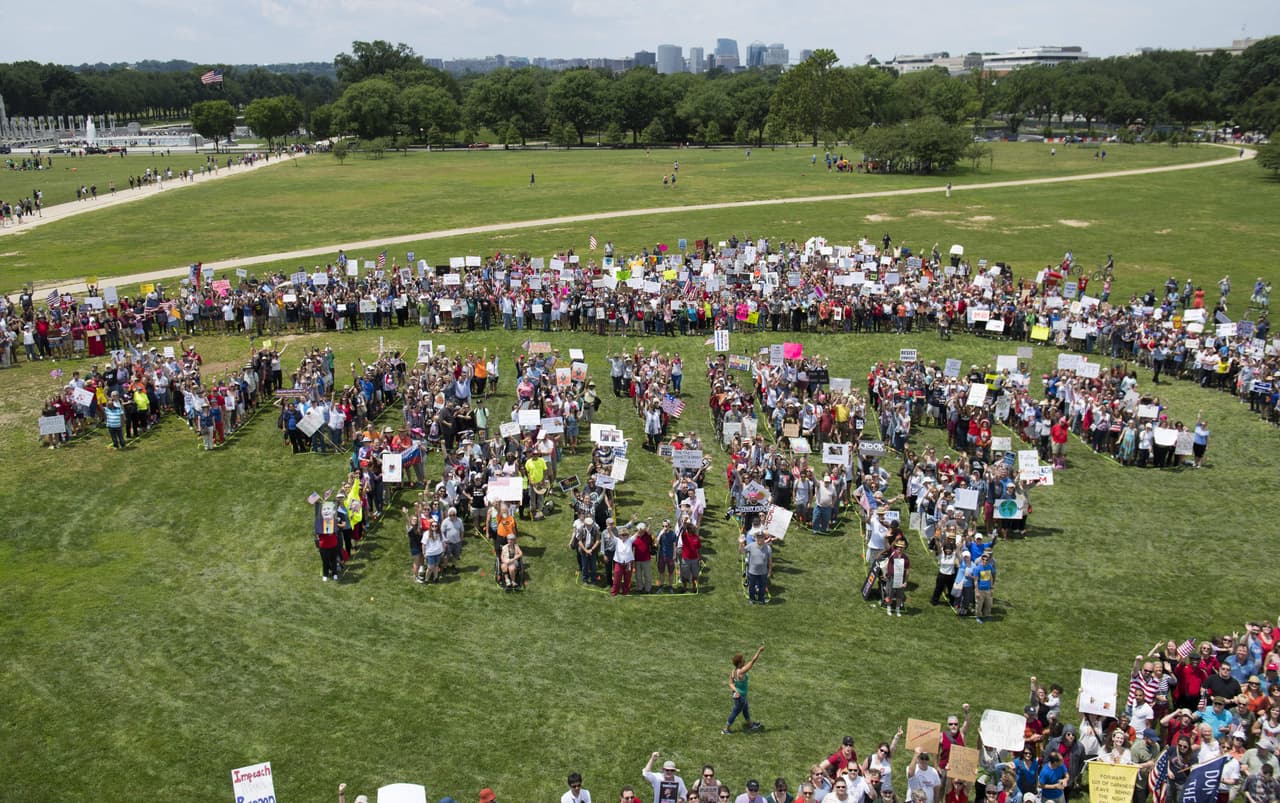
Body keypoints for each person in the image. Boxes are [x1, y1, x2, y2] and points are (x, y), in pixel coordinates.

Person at [723, 644, 765, 734]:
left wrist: (735, 690)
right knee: (735, 712)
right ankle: (725, 729)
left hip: (739, 696)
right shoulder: (741, 672)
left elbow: (730, 683)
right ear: (739, 663)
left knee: (745, 709)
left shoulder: (733, 671)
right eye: (743, 660)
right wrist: (759, 651)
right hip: (740, 697)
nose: (744, 660)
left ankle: (750, 724)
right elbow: (753, 661)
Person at [742, 528, 773, 605]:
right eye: (758, 537)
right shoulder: (751, 546)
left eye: (761, 537)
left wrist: (769, 571)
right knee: (751, 587)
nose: (760, 539)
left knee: (762, 587)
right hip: (752, 572)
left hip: (763, 572)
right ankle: (751, 599)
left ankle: (760, 599)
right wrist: (740, 543)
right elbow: (741, 551)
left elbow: (770, 561)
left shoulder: (768, 548)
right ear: (756, 538)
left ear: (764, 538)